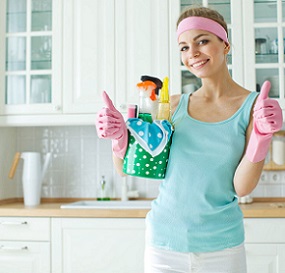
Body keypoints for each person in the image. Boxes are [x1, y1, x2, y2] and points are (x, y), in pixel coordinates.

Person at [95, 6, 283, 273]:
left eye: (202, 41)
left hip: (223, 247)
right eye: (183, 47)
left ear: (225, 45)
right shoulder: (171, 106)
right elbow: (127, 169)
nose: (192, 53)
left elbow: (241, 187)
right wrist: (118, 139)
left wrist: (261, 139)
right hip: (164, 246)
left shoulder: (253, 107)